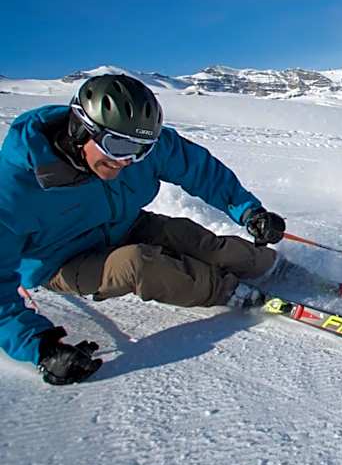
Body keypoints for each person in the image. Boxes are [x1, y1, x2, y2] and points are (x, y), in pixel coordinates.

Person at [0, 74, 287, 386]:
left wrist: (249, 211)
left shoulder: (131, 150)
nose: (128, 160)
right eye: (118, 146)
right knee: (141, 264)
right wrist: (41, 348)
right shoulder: (14, 189)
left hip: (123, 224)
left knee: (194, 239)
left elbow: (196, 168)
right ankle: (227, 290)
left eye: (142, 150)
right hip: (61, 262)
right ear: (81, 129)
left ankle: (270, 265)